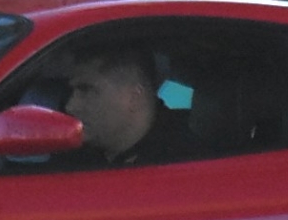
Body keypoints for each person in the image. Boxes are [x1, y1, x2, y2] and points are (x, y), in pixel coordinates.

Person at [59, 44, 196, 167]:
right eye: (72, 92)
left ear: (133, 96)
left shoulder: (182, 163)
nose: (70, 106)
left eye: (86, 90)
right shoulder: (77, 154)